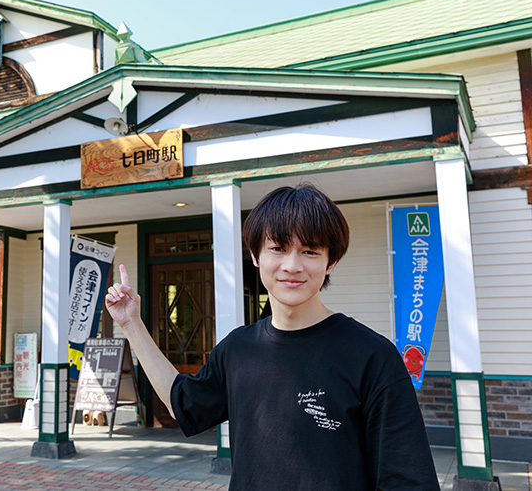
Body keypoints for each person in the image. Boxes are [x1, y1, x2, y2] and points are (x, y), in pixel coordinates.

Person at [105, 184, 440, 491]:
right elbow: (184, 404)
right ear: (255, 255)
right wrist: (131, 324)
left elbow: (408, 480)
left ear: (331, 261)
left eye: (310, 251)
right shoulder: (238, 350)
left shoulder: (372, 356)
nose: (292, 265)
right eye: (278, 248)